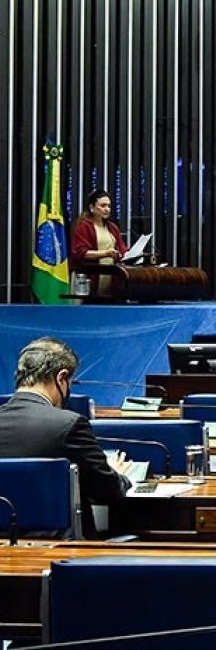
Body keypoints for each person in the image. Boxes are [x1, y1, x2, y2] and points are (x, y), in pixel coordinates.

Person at [0, 337, 135, 537]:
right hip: (60, 547)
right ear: (61, 378)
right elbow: (107, 492)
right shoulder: (69, 424)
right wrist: (118, 475)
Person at [70, 189, 129, 297]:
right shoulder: (83, 226)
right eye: (103, 206)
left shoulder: (112, 227)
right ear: (92, 207)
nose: (107, 209)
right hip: (88, 278)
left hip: (110, 278)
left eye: (109, 206)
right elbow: (80, 253)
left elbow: (122, 249)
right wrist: (106, 253)